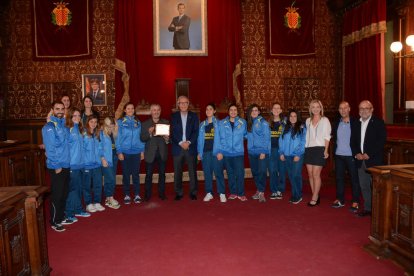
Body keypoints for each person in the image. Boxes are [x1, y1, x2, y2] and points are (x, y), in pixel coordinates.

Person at [351, 100, 386, 217]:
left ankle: (377, 210)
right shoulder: (356, 123)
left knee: (375, 187)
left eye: (366, 108)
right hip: (360, 161)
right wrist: (357, 153)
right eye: (361, 108)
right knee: (364, 185)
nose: (363, 111)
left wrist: (369, 154)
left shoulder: (378, 123)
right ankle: (368, 208)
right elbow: (353, 142)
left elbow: (381, 141)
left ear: (372, 110)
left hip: (374, 160)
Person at [42, 101, 71, 232]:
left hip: (65, 164)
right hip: (57, 166)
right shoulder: (49, 126)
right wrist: (56, 165)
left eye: (62, 109)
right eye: (57, 109)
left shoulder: (63, 125)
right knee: (57, 194)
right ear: (52, 110)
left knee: (64, 193)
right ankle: (54, 221)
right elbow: (51, 148)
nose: (60, 111)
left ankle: (61, 216)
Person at [331, 101, 360, 212]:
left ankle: (356, 201)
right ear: (339, 110)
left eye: (345, 108)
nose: (343, 110)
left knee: (354, 179)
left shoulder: (356, 122)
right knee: (339, 179)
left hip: (351, 155)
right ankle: (340, 199)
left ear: (349, 109)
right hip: (339, 155)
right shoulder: (337, 123)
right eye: (340, 108)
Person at [64, 108, 91, 223]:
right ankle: (69, 213)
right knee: (72, 190)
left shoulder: (80, 129)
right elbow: (65, 149)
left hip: (81, 165)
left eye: (79, 115)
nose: (77, 117)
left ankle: (79, 210)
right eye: (74, 116)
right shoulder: (67, 130)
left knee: (79, 189)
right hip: (72, 165)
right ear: (70, 117)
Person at [116, 102, 145, 204]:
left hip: (136, 152)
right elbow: (118, 138)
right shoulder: (120, 122)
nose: (130, 110)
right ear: (125, 110)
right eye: (128, 108)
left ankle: (137, 194)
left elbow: (141, 138)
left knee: (136, 174)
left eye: (132, 108)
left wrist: (142, 151)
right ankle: (127, 195)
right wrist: (119, 151)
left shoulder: (138, 122)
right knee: (126, 174)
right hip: (125, 152)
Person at [217, 104, 248, 201]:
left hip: (238, 152)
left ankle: (241, 193)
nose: (233, 112)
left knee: (239, 173)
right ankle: (233, 193)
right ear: (228, 111)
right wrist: (221, 150)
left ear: (237, 112)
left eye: (235, 110)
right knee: (230, 174)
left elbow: (246, 135)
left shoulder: (243, 122)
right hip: (226, 153)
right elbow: (220, 138)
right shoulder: (222, 123)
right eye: (231, 110)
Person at [171, 95, 199, 200]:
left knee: (192, 171)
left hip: (190, 147)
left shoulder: (194, 116)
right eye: (181, 103)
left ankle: (193, 192)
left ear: (188, 104)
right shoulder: (174, 116)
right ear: (178, 104)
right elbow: (172, 132)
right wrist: (181, 142)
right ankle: (178, 192)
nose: (183, 105)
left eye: (185, 103)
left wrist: (189, 142)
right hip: (178, 147)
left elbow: (196, 131)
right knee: (178, 172)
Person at [304, 100, 331, 207]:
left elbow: (327, 136)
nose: (315, 109)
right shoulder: (307, 120)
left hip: (320, 149)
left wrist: (326, 150)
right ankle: (315, 193)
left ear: (321, 108)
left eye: (317, 107)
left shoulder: (325, 120)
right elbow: (306, 136)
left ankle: (314, 197)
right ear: (310, 109)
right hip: (309, 149)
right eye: (313, 107)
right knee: (310, 174)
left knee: (316, 174)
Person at [197, 103, 226, 203]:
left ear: (214, 111)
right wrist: (199, 152)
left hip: (216, 152)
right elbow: (199, 140)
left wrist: (221, 151)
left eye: (210, 109)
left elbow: (223, 139)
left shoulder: (219, 123)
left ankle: (222, 193)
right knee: (207, 173)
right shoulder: (202, 125)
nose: (208, 111)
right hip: (205, 152)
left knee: (218, 173)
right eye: (207, 109)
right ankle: (209, 192)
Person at [140, 104, 169, 201]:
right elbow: (142, 138)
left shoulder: (165, 122)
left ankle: (162, 194)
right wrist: (149, 133)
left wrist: (167, 138)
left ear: (160, 111)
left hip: (162, 152)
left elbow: (169, 140)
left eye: (158, 110)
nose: (156, 112)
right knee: (148, 175)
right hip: (150, 153)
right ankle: (147, 195)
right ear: (151, 111)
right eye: (154, 110)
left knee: (162, 174)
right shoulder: (145, 124)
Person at [279, 109, 306, 204]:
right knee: (290, 176)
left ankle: (298, 195)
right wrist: (281, 152)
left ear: (297, 117)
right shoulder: (285, 127)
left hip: (297, 156)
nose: (293, 118)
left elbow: (303, 142)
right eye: (291, 116)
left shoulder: (302, 127)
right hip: (287, 155)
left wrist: (298, 154)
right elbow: (281, 140)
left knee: (296, 175)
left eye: (295, 116)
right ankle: (295, 194)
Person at [246, 104, 271, 203]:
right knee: (255, 172)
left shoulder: (263, 122)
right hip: (252, 152)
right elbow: (246, 135)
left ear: (259, 112)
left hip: (261, 152)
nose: (254, 112)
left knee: (262, 172)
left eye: (256, 110)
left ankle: (261, 192)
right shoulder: (249, 123)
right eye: (252, 110)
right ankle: (258, 190)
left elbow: (267, 137)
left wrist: (263, 151)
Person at [82, 115, 105, 213]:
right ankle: (88, 203)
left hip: (97, 164)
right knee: (86, 185)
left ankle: (97, 202)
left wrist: (102, 158)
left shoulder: (98, 133)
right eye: (91, 122)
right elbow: (81, 149)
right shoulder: (83, 134)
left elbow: (100, 148)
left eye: (95, 122)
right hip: (87, 164)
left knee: (98, 184)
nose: (93, 124)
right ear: (87, 122)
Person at [101, 117, 121, 209]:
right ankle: (111, 197)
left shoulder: (114, 133)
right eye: (108, 124)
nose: (110, 126)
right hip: (106, 159)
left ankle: (108, 198)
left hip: (114, 158)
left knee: (110, 179)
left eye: (112, 124)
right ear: (105, 125)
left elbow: (118, 144)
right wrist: (102, 158)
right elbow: (99, 147)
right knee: (111, 179)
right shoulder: (101, 133)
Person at [268, 103, 286, 200]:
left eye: (278, 108)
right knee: (272, 170)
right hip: (271, 150)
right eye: (274, 108)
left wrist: (283, 151)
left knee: (282, 170)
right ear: (271, 110)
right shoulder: (267, 123)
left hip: (281, 150)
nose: (276, 110)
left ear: (281, 110)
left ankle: (280, 190)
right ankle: (274, 190)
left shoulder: (284, 123)